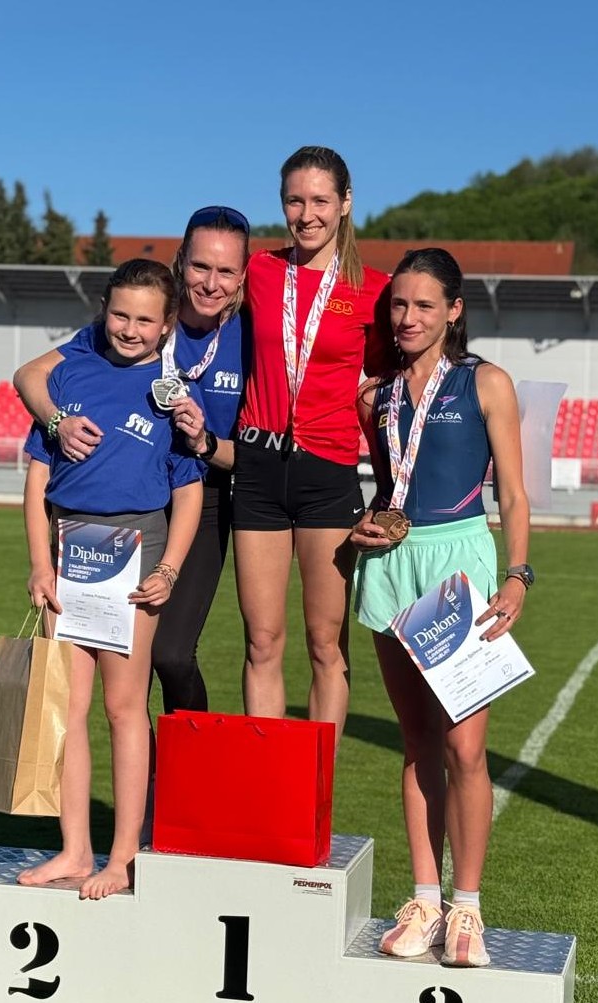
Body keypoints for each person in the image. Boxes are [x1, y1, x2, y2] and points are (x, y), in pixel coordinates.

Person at [352, 247, 531, 967]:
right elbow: (386, 489)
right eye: (399, 304)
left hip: (458, 566)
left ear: (453, 310)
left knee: (464, 748)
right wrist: (365, 526)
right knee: (417, 742)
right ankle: (425, 900)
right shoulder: (376, 395)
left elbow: (512, 492)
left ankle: (468, 907)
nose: (408, 317)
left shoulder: (486, 382)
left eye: (424, 305)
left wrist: (517, 575)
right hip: (391, 565)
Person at [14, 206, 250, 712]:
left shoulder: (251, 335)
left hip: (198, 493)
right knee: (120, 682)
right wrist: (58, 422)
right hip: (125, 505)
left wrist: (205, 443)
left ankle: (185, 761)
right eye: (200, 266)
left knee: (171, 655)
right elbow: (29, 375)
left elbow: (251, 452)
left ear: (242, 275)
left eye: (226, 271)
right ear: (181, 261)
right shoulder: (131, 315)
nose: (211, 283)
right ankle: (142, 765)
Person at [18, 259, 203, 899]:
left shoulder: (173, 395)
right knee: (67, 709)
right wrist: (40, 564)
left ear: (167, 324)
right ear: (103, 309)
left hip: (136, 553)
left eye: (145, 320)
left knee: (124, 708)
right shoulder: (68, 373)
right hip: (68, 552)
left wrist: (170, 569)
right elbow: (37, 481)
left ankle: (123, 857)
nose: (130, 328)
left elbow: (188, 491)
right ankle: (75, 849)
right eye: (120, 314)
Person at [232, 146, 389, 747]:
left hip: (329, 473)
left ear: (346, 203)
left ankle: (317, 786)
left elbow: (389, 391)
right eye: (294, 201)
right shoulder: (258, 272)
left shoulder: (374, 291)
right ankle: (265, 782)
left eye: (320, 200)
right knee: (261, 641)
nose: (307, 214)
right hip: (259, 470)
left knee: (326, 644)